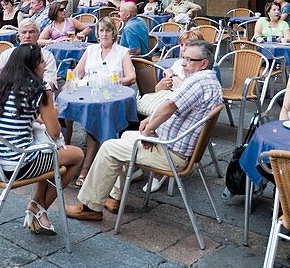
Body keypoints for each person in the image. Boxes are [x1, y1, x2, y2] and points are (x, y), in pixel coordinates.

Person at [66, 38, 221, 221]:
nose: (183, 63)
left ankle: (89, 206)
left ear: (203, 63)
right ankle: (113, 197)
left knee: (109, 147)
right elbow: (173, 108)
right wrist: (152, 123)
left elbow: (169, 106)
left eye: (189, 60)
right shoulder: (209, 80)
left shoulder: (198, 81)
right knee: (125, 137)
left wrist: (149, 131)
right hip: (174, 145)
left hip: (171, 152)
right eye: (183, 57)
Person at [0, 43, 84, 236]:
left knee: (48, 152)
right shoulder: (38, 91)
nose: (45, 64)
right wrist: (51, 111)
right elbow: (55, 133)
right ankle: (39, 207)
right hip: (19, 164)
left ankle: (36, 205)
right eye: (42, 60)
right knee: (77, 155)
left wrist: (41, 115)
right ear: (33, 65)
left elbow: (16, 115)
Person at [73, 18, 137, 183]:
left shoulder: (122, 52)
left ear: (114, 33)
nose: (104, 34)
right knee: (63, 113)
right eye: (101, 31)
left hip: (113, 99)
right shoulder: (91, 50)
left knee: (98, 117)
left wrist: (113, 83)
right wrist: (70, 85)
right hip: (89, 95)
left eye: (108, 30)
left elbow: (131, 77)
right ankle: (76, 160)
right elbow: (77, 73)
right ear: (97, 33)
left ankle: (88, 167)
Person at [137, 29, 200, 117]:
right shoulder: (178, 64)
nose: (184, 48)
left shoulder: (198, 66)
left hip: (181, 106)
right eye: (182, 45)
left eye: (188, 45)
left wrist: (172, 75)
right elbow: (157, 90)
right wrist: (162, 85)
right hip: (167, 99)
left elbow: (188, 91)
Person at [0, 20, 59, 92]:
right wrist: (10, 90)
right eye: (24, 32)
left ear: (38, 35)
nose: (27, 36)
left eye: (31, 32)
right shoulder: (8, 54)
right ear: (18, 36)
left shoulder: (46, 56)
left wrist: (23, 92)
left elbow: (50, 83)